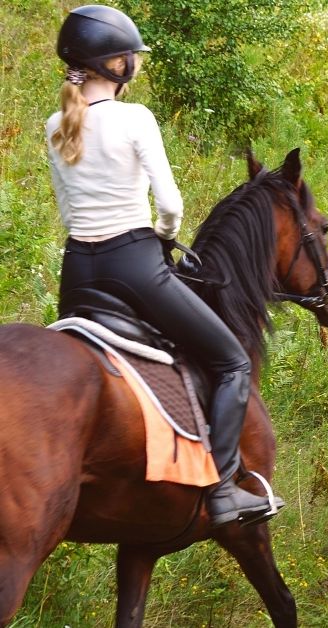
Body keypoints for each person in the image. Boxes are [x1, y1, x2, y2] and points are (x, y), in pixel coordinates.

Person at [47, 4, 280, 527]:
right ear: (117, 65)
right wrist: (165, 239)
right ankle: (222, 490)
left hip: (77, 272)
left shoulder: (55, 124)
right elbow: (170, 205)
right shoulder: (136, 119)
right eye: (131, 57)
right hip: (133, 262)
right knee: (231, 362)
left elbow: (66, 206)